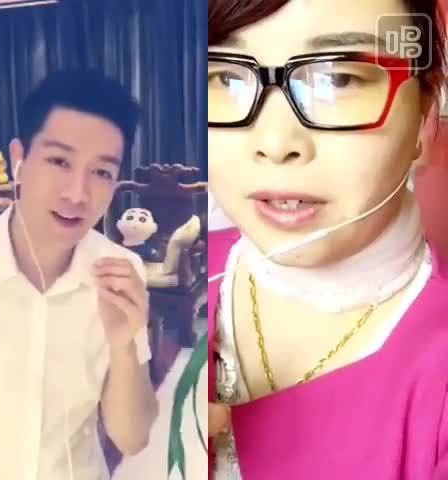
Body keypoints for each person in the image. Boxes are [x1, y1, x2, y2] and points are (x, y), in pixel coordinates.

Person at [207, 0, 448, 479]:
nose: (276, 144)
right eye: (225, 77)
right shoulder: (147, 285)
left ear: (425, 115)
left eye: (337, 80)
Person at [0, 70, 158, 479]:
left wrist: (123, 347)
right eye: (59, 161)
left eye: (101, 172)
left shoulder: (120, 272)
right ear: (19, 159)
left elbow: (132, 438)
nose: (77, 193)